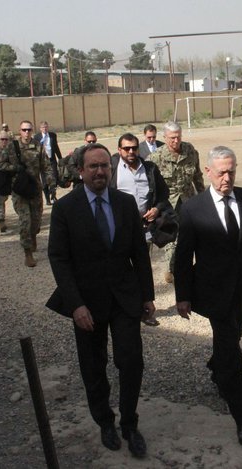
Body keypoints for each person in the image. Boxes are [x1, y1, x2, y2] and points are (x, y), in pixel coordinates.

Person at [46, 143, 156, 458]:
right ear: (80, 171)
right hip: (87, 303)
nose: (99, 172)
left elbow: (139, 254)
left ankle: (129, 424)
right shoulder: (66, 209)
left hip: (124, 298)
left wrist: (147, 295)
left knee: (131, 361)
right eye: (93, 167)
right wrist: (75, 304)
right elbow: (59, 258)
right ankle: (104, 422)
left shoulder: (124, 203)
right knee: (93, 366)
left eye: (104, 166)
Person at [174, 146, 242, 447]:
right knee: (231, 349)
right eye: (221, 172)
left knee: (230, 340)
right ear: (208, 172)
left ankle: (217, 366)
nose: (227, 177)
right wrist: (182, 295)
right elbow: (183, 257)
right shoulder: (193, 208)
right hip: (213, 291)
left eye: (231, 171)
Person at [111, 133, 172, 327]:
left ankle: (147, 309)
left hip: (143, 229)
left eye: (134, 148)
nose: (131, 152)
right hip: (118, 229)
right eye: (126, 148)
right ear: (119, 150)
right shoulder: (112, 170)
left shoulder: (150, 169)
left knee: (142, 268)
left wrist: (156, 209)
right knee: (119, 268)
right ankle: (124, 308)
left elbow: (163, 194)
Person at [0, 120, 55, 267]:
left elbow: (46, 166)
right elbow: (0, 163)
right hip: (19, 189)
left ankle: (33, 235)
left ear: (32, 131)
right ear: (19, 131)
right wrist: (15, 168)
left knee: (36, 221)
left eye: (29, 130)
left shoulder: (38, 146)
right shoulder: (11, 147)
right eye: (23, 130)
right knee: (25, 221)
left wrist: (51, 184)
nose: (26, 132)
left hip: (35, 189)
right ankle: (27, 252)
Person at [150, 121, 204, 284]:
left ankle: (196, 266)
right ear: (165, 138)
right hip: (168, 202)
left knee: (194, 233)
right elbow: (151, 183)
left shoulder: (190, 151)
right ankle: (170, 268)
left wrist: (203, 197)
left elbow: (197, 176)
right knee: (170, 236)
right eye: (172, 138)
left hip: (189, 199)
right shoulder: (156, 157)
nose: (176, 141)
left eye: (178, 137)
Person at [33, 121, 62, 205]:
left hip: (52, 159)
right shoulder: (37, 137)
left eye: (46, 127)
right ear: (40, 129)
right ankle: (47, 199)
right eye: (43, 127)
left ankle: (53, 195)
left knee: (54, 178)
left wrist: (60, 158)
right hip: (42, 161)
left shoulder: (53, 135)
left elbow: (56, 147)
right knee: (45, 181)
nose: (44, 129)